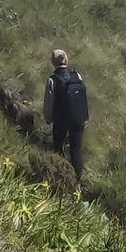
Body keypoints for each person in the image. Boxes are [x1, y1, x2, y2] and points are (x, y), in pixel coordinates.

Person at [43, 48, 89, 178]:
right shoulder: (77, 76)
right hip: (78, 118)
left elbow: (48, 102)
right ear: (66, 60)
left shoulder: (52, 80)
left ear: (53, 62)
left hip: (61, 119)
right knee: (76, 149)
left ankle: (59, 175)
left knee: (58, 146)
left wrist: (48, 118)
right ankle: (77, 178)